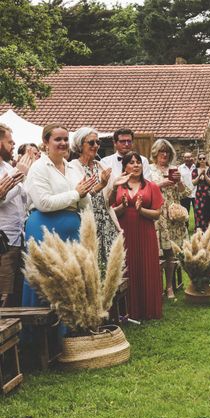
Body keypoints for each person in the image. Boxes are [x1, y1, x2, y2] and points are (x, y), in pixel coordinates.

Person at [23, 124, 96, 308]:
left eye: (65, 139)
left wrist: (85, 196)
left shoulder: (72, 168)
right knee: (47, 279)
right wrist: (76, 194)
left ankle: (72, 330)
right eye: (58, 139)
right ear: (45, 142)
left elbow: (82, 199)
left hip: (72, 228)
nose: (63, 143)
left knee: (72, 279)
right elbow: (44, 203)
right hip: (44, 227)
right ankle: (43, 334)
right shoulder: (38, 168)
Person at [112, 152, 163, 320]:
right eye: (131, 162)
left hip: (145, 231)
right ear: (124, 166)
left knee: (145, 265)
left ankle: (148, 309)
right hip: (124, 231)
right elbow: (111, 212)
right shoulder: (118, 186)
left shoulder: (151, 186)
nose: (136, 165)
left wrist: (141, 210)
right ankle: (128, 311)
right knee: (127, 266)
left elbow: (156, 214)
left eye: (138, 162)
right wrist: (123, 207)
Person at [69, 127, 119, 270]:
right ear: (80, 145)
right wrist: (102, 184)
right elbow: (79, 197)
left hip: (106, 222)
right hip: (86, 222)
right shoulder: (72, 167)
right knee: (90, 266)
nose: (96, 145)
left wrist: (115, 187)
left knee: (110, 267)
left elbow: (110, 202)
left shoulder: (102, 166)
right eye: (91, 142)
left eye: (98, 142)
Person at [148, 139, 189, 300]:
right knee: (159, 252)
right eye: (161, 151)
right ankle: (156, 286)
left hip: (173, 214)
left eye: (167, 152)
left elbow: (185, 193)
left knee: (172, 252)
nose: (164, 154)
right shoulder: (149, 170)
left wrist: (178, 182)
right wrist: (161, 184)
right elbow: (146, 189)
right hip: (158, 214)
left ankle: (170, 286)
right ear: (155, 154)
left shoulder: (174, 169)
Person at [0, 124, 27, 306]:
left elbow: (24, 201)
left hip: (18, 239)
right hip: (3, 242)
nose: (14, 144)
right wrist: (18, 181)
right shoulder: (14, 172)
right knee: (3, 295)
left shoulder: (9, 168)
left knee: (15, 295)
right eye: (9, 141)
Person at [192, 152, 210, 232]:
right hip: (199, 196)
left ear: (206, 160)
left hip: (209, 195)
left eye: (203, 158)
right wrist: (199, 175)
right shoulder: (195, 170)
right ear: (198, 160)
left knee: (209, 214)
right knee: (199, 214)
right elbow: (194, 183)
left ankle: (209, 232)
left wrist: (205, 175)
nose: (202, 160)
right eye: (200, 159)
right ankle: (199, 232)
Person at [178, 151, 196, 228]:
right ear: (183, 159)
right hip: (185, 194)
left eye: (189, 157)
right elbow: (180, 180)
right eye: (185, 157)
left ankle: (197, 228)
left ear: (192, 158)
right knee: (185, 212)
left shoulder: (196, 167)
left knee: (197, 212)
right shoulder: (180, 168)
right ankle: (185, 227)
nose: (187, 159)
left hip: (195, 192)